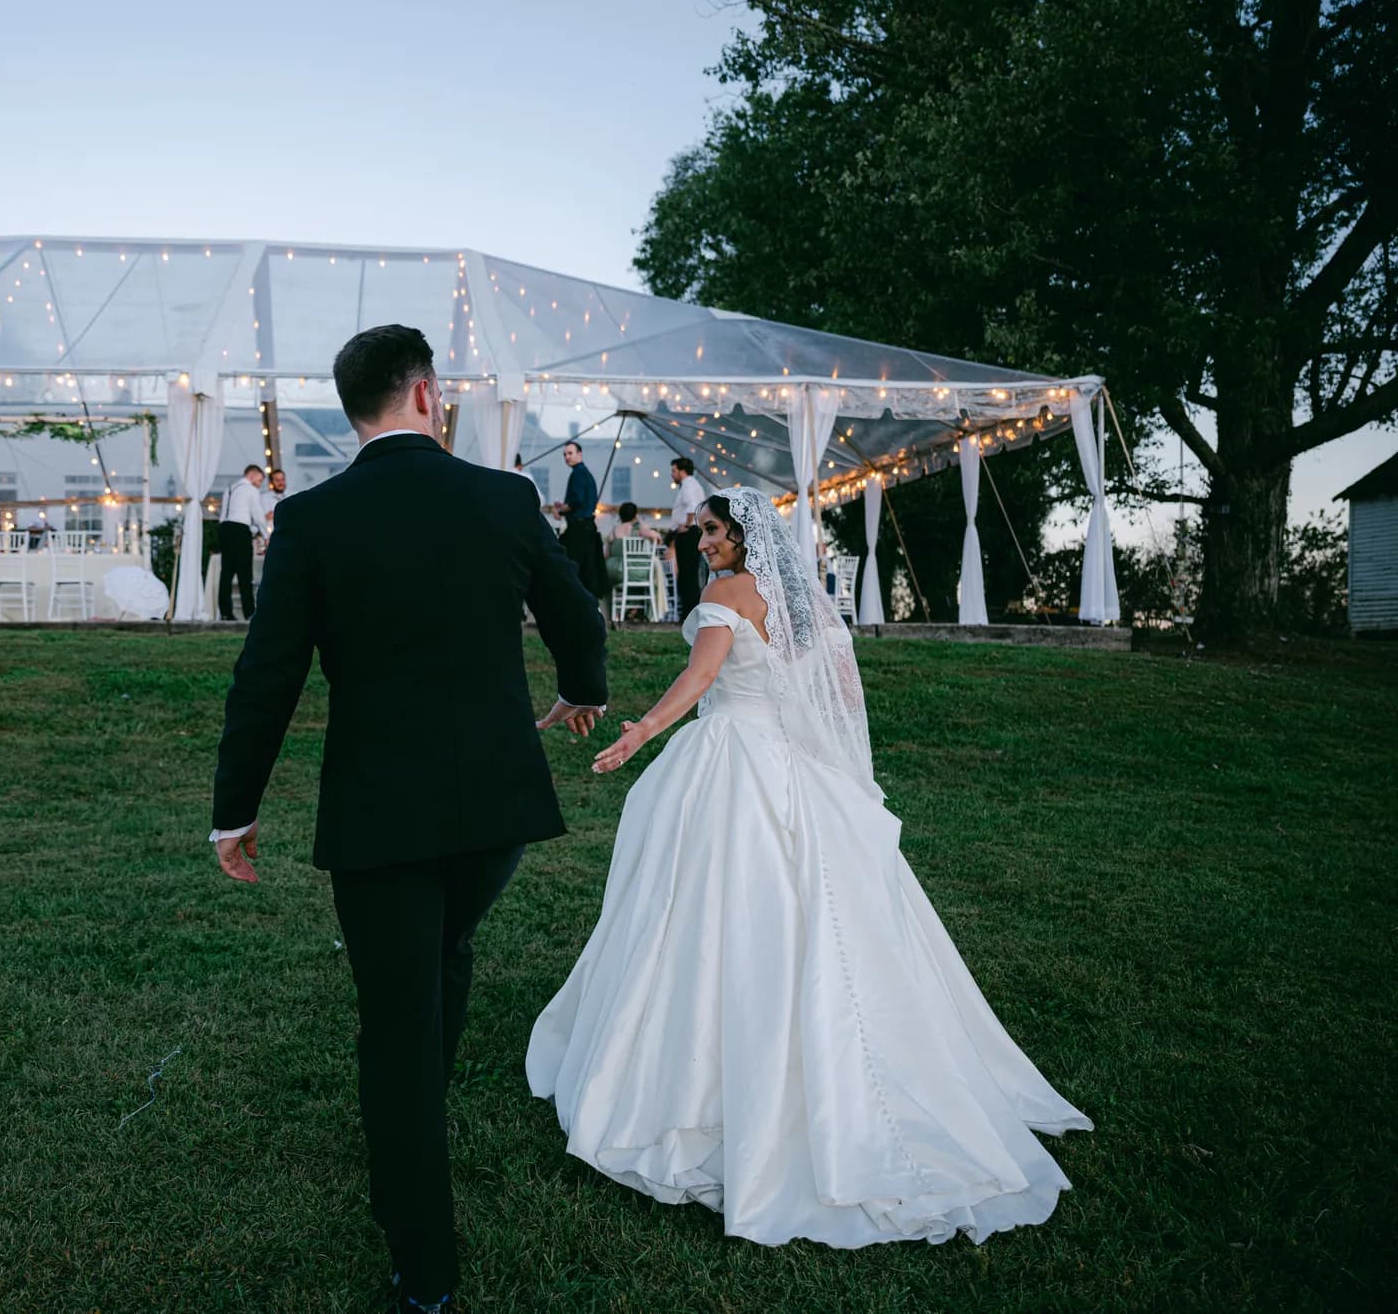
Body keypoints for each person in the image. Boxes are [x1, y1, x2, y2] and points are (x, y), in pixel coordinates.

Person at [527, 487, 1091, 1247]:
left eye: (715, 532)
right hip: (798, 768)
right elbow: (842, 697)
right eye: (702, 534)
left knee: (708, 910)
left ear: (744, 537)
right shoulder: (811, 607)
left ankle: (697, 1079)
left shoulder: (727, 596)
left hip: (731, 763)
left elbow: (699, 682)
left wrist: (641, 736)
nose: (705, 545)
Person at [209, 324, 608, 1311]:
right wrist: (579, 687)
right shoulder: (505, 497)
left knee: (397, 1016)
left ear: (354, 411)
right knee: (446, 952)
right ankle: (416, 1125)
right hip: (497, 805)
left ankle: (422, 1267)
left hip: (380, 809)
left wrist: (234, 810)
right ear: (427, 396)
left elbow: (266, 676)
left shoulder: (309, 518)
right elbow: (577, 615)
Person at [552, 440, 608, 598]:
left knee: (569, 568)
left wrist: (560, 510)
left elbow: (577, 501)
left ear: (579, 454)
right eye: (565, 454)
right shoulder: (585, 474)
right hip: (587, 528)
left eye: (570, 453)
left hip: (579, 529)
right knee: (587, 573)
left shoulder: (578, 473)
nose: (567, 457)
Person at [218, 463, 265, 620]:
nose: (259, 485)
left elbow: (223, 514)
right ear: (251, 476)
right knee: (245, 574)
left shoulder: (229, 489)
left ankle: (225, 612)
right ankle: (249, 612)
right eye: (259, 481)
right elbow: (258, 515)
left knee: (226, 573)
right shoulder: (250, 490)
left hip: (225, 529)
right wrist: (266, 534)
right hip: (240, 531)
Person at [670, 456, 707, 619]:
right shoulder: (693, 485)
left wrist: (686, 524)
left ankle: (688, 613)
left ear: (682, 471)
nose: (672, 474)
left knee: (687, 574)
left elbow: (692, 507)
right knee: (690, 573)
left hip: (689, 534)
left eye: (674, 470)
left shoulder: (688, 485)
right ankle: (689, 611)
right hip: (693, 532)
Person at [265, 467, 288, 535]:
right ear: (271, 482)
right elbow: (264, 517)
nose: (281, 483)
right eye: (277, 480)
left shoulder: (293, 495)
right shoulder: (264, 498)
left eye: (282, 479)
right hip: (272, 535)